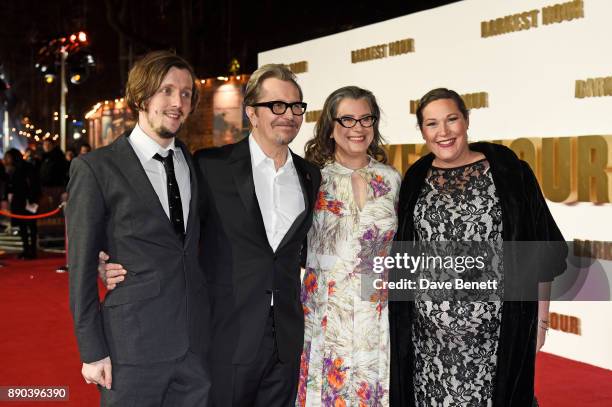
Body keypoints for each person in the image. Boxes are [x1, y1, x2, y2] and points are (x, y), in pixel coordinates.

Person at [102, 63, 321, 406]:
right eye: (276, 105)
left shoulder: (310, 175)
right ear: (252, 112)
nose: (288, 114)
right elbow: (167, 230)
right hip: (226, 335)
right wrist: (108, 257)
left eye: (296, 106)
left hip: (286, 339)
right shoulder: (210, 166)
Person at [389, 88, 567, 406]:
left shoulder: (511, 174)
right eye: (431, 124)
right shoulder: (415, 178)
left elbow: (542, 250)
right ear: (422, 131)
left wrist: (541, 320)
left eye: (451, 119)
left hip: (494, 337)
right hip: (427, 339)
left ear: (467, 120)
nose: (443, 132)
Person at [66, 50, 210, 406]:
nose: (178, 101)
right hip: (132, 346)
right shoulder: (96, 168)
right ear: (141, 96)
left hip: (194, 346)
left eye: (186, 93)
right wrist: (91, 350)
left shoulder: (190, 162)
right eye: (166, 90)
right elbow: (81, 268)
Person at [297, 86, 400, 406]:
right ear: (330, 126)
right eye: (347, 119)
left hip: (376, 313)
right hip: (324, 312)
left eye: (365, 119)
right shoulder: (311, 178)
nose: (357, 128)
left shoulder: (392, 179)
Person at [2, 148, 41, 259]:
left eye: (8, 157)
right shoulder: (11, 169)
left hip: (27, 200)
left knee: (31, 226)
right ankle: (25, 249)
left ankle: (32, 251)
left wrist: (32, 199)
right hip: (18, 201)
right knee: (22, 226)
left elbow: (33, 183)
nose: (6, 159)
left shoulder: (26, 167)